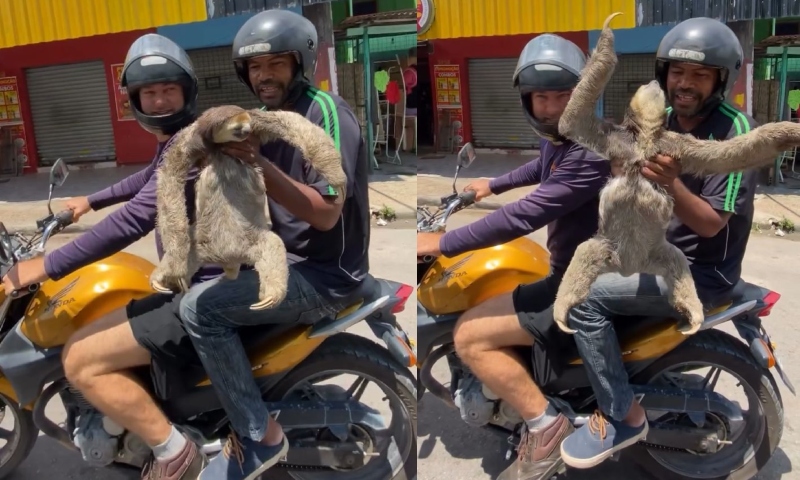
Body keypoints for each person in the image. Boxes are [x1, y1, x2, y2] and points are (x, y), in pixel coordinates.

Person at [1, 34, 212, 479]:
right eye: (149, 93)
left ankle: (175, 454)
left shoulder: (191, 147)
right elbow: (146, 179)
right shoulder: (178, 140)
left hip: (204, 292)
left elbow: (134, 220)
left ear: (186, 91)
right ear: (134, 99)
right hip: (193, 280)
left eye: (168, 90)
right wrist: (89, 201)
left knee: (80, 358)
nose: (159, 101)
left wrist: (44, 265)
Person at [176, 9, 370, 480]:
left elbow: (325, 213)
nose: (264, 76)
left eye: (276, 64)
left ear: (300, 63)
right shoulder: (262, 120)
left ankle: (258, 436)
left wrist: (258, 163)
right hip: (287, 260)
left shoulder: (324, 114)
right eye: (255, 67)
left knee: (200, 311)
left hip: (324, 275)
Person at [558, 17, 759, 469]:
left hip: (699, 272)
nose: (684, 84)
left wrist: (671, 182)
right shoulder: (660, 117)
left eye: (699, 75)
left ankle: (621, 415)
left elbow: (711, 224)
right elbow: (611, 151)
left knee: (584, 303)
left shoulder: (734, 131)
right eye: (677, 72)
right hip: (645, 250)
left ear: (721, 80)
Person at [417, 34, 611, 480]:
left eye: (563, 96)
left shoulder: (591, 150)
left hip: (583, 285)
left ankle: (546, 427)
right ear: (528, 100)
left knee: (470, 336)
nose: (553, 107)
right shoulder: (565, 138)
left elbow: (525, 215)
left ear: (583, 94)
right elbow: (542, 166)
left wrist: (442, 243)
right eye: (542, 98)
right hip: (578, 269)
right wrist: (492, 184)